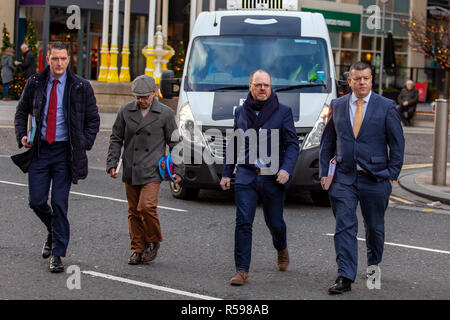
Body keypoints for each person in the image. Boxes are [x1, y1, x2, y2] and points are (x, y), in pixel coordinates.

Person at [14, 41, 100, 273]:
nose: (59, 63)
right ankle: (53, 232)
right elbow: (22, 111)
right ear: (48, 59)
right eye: (55, 58)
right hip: (41, 152)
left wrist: (82, 144)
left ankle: (57, 254)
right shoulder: (35, 82)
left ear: (68, 60)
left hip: (65, 153)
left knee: (59, 204)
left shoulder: (80, 86)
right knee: (37, 201)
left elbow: (93, 120)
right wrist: (22, 135)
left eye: (63, 59)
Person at [319, 61, 405, 294]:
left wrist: (391, 175)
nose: (362, 82)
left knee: (375, 228)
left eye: (366, 78)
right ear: (350, 81)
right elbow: (327, 142)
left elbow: (397, 144)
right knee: (344, 226)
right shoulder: (337, 105)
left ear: (371, 79)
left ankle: (373, 267)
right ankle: (344, 276)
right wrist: (325, 173)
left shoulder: (386, 106)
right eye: (357, 79)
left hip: (376, 178)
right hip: (344, 178)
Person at [220, 69, 299, 286]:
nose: (262, 88)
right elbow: (234, 143)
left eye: (266, 85)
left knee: (275, 223)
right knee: (243, 222)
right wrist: (227, 172)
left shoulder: (283, 112)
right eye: (258, 85)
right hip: (246, 174)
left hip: (272, 177)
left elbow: (293, 144)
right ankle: (242, 270)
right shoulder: (240, 112)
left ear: (271, 87)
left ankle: (281, 247)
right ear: (250, 87)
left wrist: (286, 169)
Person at [106, 75, 184, 265]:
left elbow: (175, 142)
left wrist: (179, 169)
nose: (141, 100)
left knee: (146, 207)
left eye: (144, 97)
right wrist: (112, 162)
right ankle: (137, 249)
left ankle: (153, 240)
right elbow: (116, 138)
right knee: (133, 211)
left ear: (153, 93)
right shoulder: (125, 111)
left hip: (153, 169)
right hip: (131, 168)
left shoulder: (165, 113)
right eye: (137, 97)